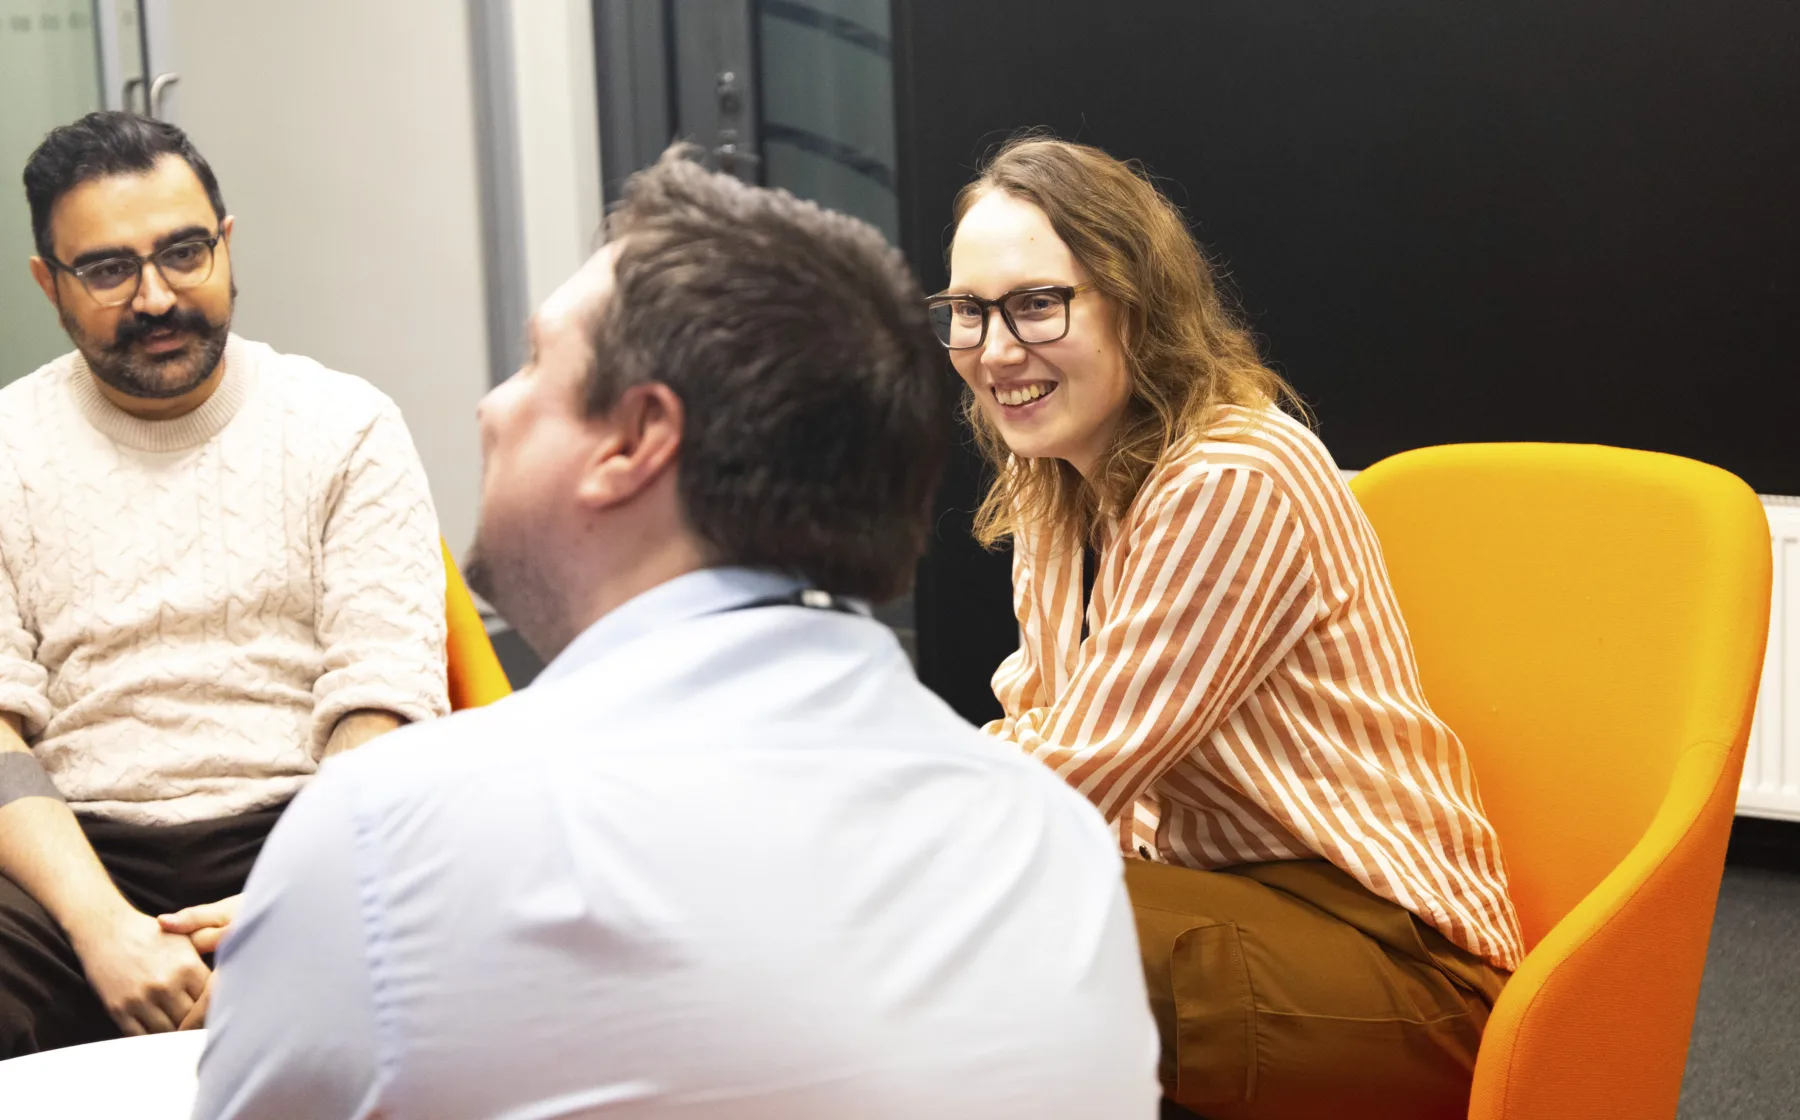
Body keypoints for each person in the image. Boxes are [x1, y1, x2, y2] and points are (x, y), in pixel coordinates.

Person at [191, 146, 1160, 1119]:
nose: (491, 408)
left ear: (635, 439)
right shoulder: (1060, 853)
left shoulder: (383, 845)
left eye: (534, 362)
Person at [933, 135, 1526, 1119]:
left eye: (1037, 303)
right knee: (961, 920)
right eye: (967, 312)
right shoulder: (1056, 477)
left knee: (963, 930)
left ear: (1135, 300)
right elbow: (1039, 726)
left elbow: (1073, 770)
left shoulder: (1227, 478)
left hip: (1405, 965)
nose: (996, 351)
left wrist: (851, 825)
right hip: (1233, 895)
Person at [0, 112, 448, 1057]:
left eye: (185, 252)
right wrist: (103, 929)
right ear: (51, 285)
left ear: (227, 243)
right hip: (66, 846)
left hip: (304, 823)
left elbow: (385, 699)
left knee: (456, 965)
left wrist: (292, 907)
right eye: (109, 269)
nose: (157, 297)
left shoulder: (347, 426)